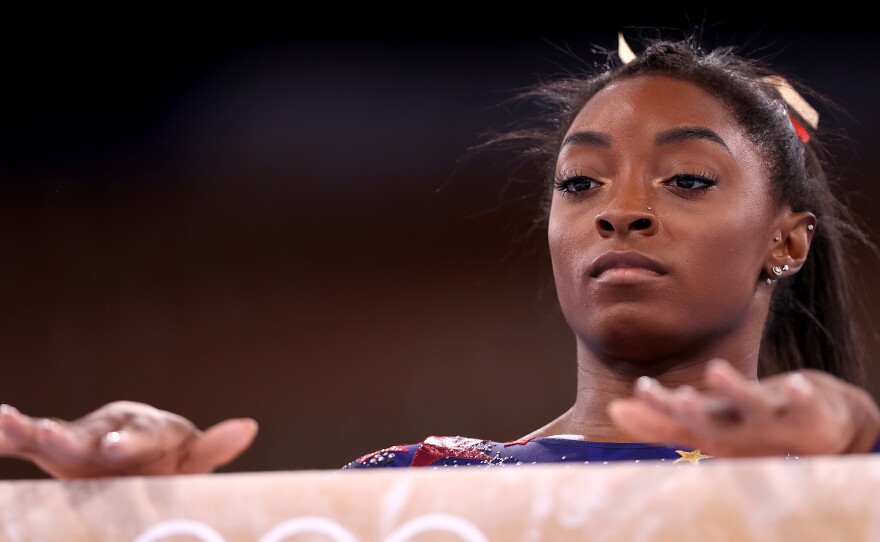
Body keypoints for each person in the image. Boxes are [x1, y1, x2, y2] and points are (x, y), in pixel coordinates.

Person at [1, 32, 879, 478]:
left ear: (787, 239)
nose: (622, 214)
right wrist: (151, 515)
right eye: (582, 185)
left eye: (686, 180)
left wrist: (848, 452)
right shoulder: (427, 485)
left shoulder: (833, 478)